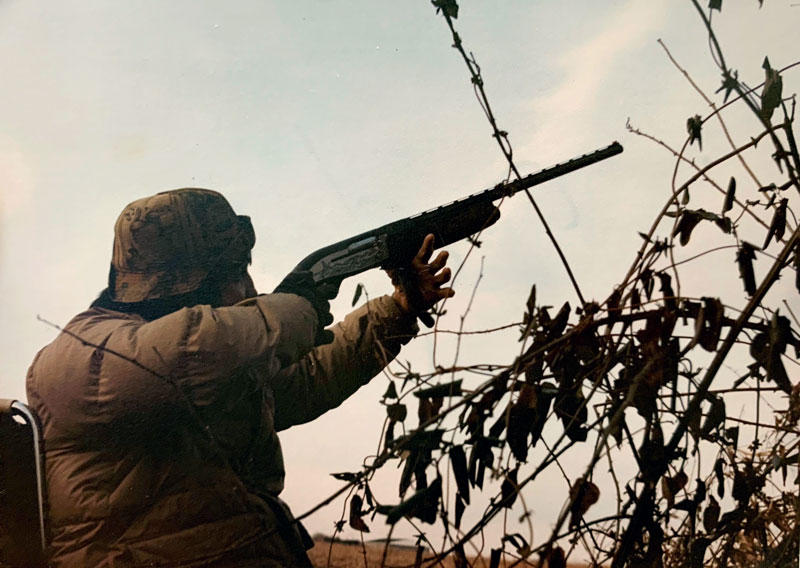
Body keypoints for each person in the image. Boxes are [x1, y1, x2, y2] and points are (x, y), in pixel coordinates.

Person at [26, 188, 454, 567]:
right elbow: (191, 353)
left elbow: (306, 378)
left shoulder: (212, 367)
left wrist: (399, 309)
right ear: (191, 284)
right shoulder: (83, 355)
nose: (248, 288)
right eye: (235, 273)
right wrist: (300, 304)